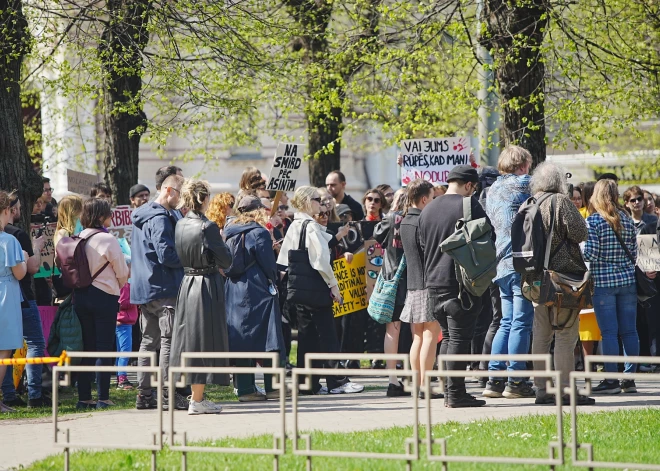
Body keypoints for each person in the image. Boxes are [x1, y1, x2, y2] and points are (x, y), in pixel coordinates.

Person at [277, 186, 363, 395]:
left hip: (300, 290)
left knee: (307, 338)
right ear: (307, 201)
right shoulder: (312, 227)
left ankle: (308, 384)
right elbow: (321, 261)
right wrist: (334, 287)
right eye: (317, 199)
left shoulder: (296, 225)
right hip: (316, 287)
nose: (321, 203)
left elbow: (284, 260)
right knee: (328, 336)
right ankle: (338, 381)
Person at [524, 163, 594, 406]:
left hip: (536, 279)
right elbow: (580, 233)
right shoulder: (560, 201)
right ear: (559, 182)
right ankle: (565, 391)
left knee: (541, 335)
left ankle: (541, 389)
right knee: (565, 334)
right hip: (562, 280)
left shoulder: (531, 202)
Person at [418, 166, 487, 408]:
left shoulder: (428, 209)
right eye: (474, 188)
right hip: (460, 284)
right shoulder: (470, 206)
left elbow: (423, 245)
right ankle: (456, 394)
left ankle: (450, 392)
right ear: (469, 185)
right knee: (459, 339)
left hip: (433, 283)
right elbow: (488, 240)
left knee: (447, 338)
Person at [169, 180, 233, 414]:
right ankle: (196, 400)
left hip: (187, 283)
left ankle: (197, 397)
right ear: (204, 199)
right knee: (203, 339)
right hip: (206, 285)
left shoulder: (180, 224)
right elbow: (226, 260)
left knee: (191, 339)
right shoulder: (208, 226)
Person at [131, 174, 187, 411]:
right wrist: (188, 257)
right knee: (168, 342)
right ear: (168, 191)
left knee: (148, 341)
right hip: (163, 287)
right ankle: (167, 393)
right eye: (179, 194)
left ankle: (144, 395)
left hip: (145, 288)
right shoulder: (160, 218)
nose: (181, 200)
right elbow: (166, 255)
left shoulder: (142, 215)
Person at [584, 179, 646, 394]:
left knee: (609, 332)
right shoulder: (627, 220)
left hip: (603, 282)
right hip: (627, 281)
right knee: (630, 331)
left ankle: (611, 379)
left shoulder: (594, 222)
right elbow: (635, 253)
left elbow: (590, 253)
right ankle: (628, 379)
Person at [483, 145, 535, 399]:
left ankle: (494, 379)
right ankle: (516, 380)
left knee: (506, 322)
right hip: (520, 261)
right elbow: (552, 184)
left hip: (500, 262)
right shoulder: (522, 183)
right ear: (522, 164)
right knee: (521, 323)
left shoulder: (493, 188)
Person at [224, 195, 286, 402]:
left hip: (234, 289)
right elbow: (268, 264)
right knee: (270, 338)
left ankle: (245, 389)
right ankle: (274, 388)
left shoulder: (229, 232)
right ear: (258, 210)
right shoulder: (259, 232)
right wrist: (275, 278)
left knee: (243, 340)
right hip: (258, 289)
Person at [74, 198, 129, 409]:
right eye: (108, 214)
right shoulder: (107, 239)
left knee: (87, 346)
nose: (111, 217)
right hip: (105, 295)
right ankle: (103, 397)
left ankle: (84, 397)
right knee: (104, 347)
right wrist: (119, 284)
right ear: (100, 217)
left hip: (80, 295)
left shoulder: (78, 237)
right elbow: (122, 272)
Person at [0, 193, 49, 408]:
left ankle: (9, 394)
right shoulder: (12, 238)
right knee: (16, 346)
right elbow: (25, 271)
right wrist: (31, 251)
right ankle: (33, 394)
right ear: (7, 210)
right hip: (12, 296)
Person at [373, 188, 409, 397]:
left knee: (392, 330)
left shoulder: (391, 218)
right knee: (415, 331)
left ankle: (392, 380)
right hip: (411, 278)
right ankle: (412, 376)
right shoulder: (416, 217)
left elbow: (377, 234)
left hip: (391, 278)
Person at [0, 191, 28, 413]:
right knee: (3, 350)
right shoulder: (9, 241)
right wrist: (26, 260)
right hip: (5, 295)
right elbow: (19, 273)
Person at [116, 282, 138, 390]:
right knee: (125, 351)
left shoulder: (122, 284)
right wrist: (137, 298)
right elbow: (122, 303)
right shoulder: (125, 285)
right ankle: (122, 378)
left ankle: (119, 376)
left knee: (120, 352)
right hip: (124, 321)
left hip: (121, 321)